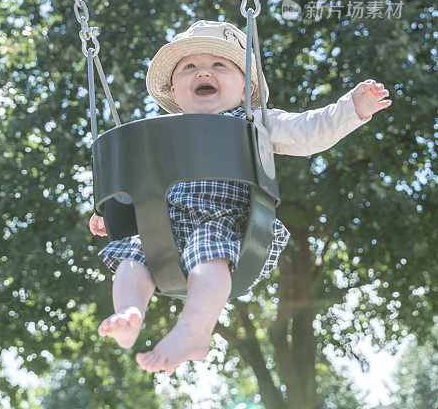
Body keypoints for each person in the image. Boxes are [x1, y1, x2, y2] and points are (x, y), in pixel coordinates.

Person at [89, 20, 391, 375]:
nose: (204, 71)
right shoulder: (165, 136)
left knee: (208, 252)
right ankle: (129, 312)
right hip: (168, 227)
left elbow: (310, 131)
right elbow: (139, 186)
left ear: (247, 88)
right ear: (174, 89)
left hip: (233, 225)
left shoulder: (253, 121)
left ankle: (194, 330)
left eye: (220, 65)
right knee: (131, 255)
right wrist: (115, 214)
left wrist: (351, 108)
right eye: (190, 67)